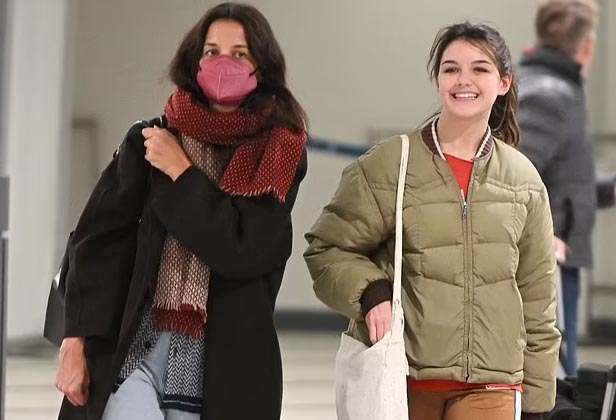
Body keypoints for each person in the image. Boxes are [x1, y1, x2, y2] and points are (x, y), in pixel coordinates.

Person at [54, 3, 308, 419]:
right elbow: (95, 243)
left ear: (262, 67)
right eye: (211, 51)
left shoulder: (278, 154)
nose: (223, 63)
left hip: (223, 368)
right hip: (131, 351)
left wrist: (183, 174)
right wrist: (74, 340)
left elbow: (242, 249)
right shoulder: (150, 142)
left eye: (239, 54)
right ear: (194, 59)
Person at [305, 22, 560, 420]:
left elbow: (538, 298)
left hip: (493, 386)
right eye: (451, 68)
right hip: (403, 381)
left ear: (504, 82)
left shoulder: (523, 180)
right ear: (438, 79)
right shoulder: (391, 164)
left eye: (480, 69)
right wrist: (371, 291)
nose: (464, 80)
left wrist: (538, 402)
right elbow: (328, 249)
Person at [516, 0, 616, 376]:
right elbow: (513, 177)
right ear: (587, 45)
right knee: (555, 379)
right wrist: (544, 237)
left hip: (557, 257)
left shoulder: (554, 88)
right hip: (546, 263)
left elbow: (564, 180)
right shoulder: (550, 94)